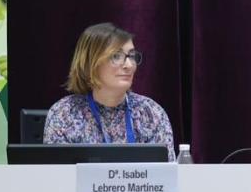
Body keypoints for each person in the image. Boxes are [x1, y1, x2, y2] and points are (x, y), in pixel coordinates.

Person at [42, 22, 175, 160]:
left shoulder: (151, 113)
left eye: (132, 56)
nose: (129, 65)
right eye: (116, 56)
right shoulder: (64, 113)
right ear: (91, 63)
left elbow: (167, 178)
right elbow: (58, 178)